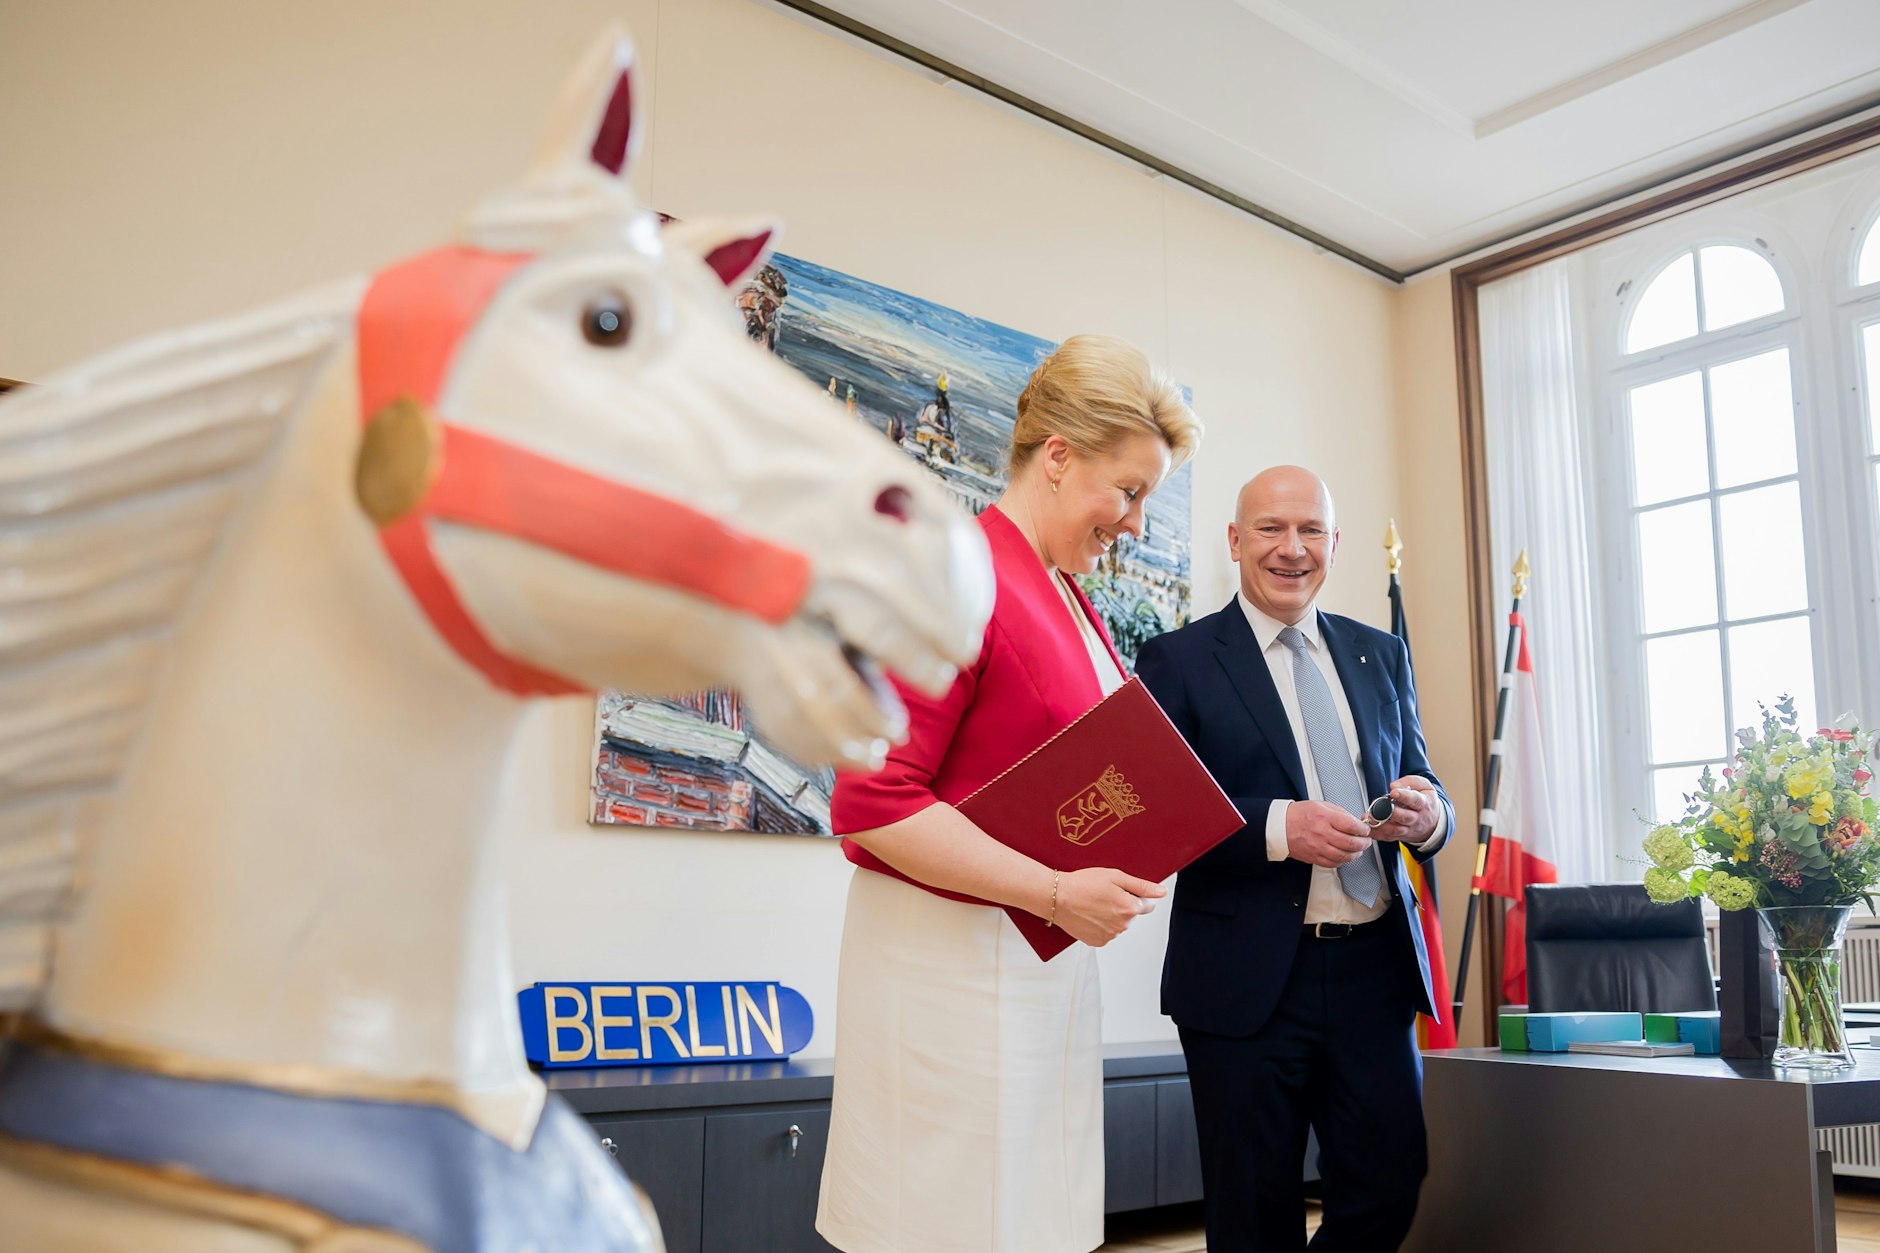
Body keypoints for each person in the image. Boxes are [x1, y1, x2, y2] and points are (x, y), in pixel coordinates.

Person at [816, 334, 1202, 1253]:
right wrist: (1059, 890)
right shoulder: (954, 573)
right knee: (951, 1221)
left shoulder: (1065, 590)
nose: (1137, 523)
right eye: (1130, 490)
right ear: (1058, 456)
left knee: (1033, 1214)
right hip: (948, 967)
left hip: (1035, 965)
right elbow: (874, 801)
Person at [1133, 466, 1453, 1253]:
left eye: (1310, 529)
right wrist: (1280, 827)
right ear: (1235, 541)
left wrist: (1431, 814)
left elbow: (1421, 775)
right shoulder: (1178, 660)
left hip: (1374, 970)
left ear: (1334, 544)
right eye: (1271, 528)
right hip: (1243, 983)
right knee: (1253, 1215)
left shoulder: (1380, 653)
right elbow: (1156, 812)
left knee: (1391, 1184)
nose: (1292, 548)